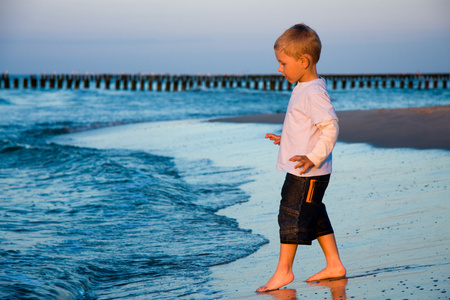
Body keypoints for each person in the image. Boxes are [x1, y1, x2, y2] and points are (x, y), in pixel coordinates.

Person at [257, 23, 346, 292]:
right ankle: (334, 265)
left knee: (290, 214)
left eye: (283, 63)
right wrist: (288, 139)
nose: (279, 69)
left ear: (303, 61)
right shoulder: (305, 88)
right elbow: (308, 126)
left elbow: (330, 127)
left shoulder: (313, 92)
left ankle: (283, 271)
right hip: (308, 170)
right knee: (315, 213)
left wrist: (313, 157)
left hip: (307, 172)